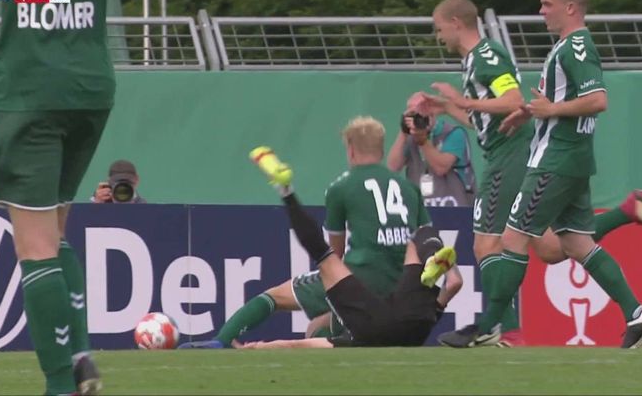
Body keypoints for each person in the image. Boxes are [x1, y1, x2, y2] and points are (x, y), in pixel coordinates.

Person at [418, 0, 642, 348]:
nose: (438, 36)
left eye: (439, 28)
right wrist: (449, 108)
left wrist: (463, 101)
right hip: (517, 151)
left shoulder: (486, 56)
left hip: (510, 157)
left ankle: (501, 330)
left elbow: (511, 100)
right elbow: (490, 121)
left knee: (489, 244)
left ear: (456, 23)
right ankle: (628, 235)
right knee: (558, 247)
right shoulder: (475, 60)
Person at [0, 0, 113, 394]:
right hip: (90, 90)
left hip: (31, 93)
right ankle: (80, 353)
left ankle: (60, 385)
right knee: (56, 233)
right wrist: (10, 0)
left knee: (35, 249)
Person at [179, 117, 462, 349]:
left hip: (360, 273)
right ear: (380, 147)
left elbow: (333, 253)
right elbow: (426, 238)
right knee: (321, 328)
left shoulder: (342, 187)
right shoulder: (407, 187)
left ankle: (219, 343)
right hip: (402, 286)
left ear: (350, 149)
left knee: (275, 297)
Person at [240, 146, 458, 349]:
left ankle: (285, 190)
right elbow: (455, 284)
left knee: (325, 254)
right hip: (406, 324)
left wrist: (263, 347)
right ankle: (430, 255)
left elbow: (308, 346)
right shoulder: (356, 333)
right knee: (418, 234)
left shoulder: (356, 334)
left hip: (396, 327)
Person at [387, 98, 476, 207]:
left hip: (454, 210)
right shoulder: (409, 138)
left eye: (419, 112)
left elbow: (441, 167)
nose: (416, 117)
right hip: (422, 212)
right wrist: (403, 132)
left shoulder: (453, 133)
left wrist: (423, 140)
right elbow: (393, 167)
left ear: (431, 112)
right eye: (412, 114)